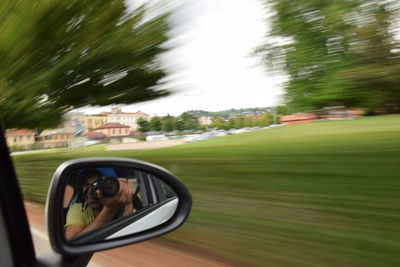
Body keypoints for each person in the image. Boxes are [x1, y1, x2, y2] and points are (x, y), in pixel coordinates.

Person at [65, 169, 134, 240]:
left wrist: (128, 204)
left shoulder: (121, 205)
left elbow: (128, 237)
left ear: (114, 188)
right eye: (86, 185)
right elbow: (71, 241)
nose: (90, 192)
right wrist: (109, 210)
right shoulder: (79, 209)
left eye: (98, 185)